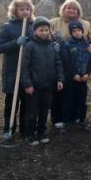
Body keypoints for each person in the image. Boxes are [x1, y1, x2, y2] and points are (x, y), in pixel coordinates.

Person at [49, 0, 91, 128]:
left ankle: (75, 116)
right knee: (59, 91)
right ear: (63, 9)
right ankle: (57, 117)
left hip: (77, 64)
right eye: (68, 8)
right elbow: (44, 36)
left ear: (78, 11)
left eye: (74, 8)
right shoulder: (53, 22)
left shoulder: (85, 24)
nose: (71, 10)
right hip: (57, 63)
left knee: (76, 92)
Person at [0, 0, 35, 138]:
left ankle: (24, 128)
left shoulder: (33, 26)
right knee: (11, 101)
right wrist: (15, 43)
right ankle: (8, 127)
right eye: (22, 9)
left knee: (26, 101)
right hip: (12, 70)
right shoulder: (8, 27)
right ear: (15, 10)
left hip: (28, 71)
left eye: (27, 9)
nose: (25, 11)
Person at [21, 17, 64, 146]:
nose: (44, 32)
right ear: (35, 31)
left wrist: (60, 79)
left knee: (45, 109)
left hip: (48, 84)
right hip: (34, 85)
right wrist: (27, 84)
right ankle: (30, 133)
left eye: (46, 30)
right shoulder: (30, 45)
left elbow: (58, 63)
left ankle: (42, 131)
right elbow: (25, 67)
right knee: (32, 110)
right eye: (41, 30)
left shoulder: (52, 45)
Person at [61, 20, 91, 131]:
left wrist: (87, 74)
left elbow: (89, 62)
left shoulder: (87, 44)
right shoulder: (67, 44)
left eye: (79, 30)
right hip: (71, 78)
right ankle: (67, 121)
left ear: (82, 31)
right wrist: (73, 74)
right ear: (71, 33)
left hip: (83, 78)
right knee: (69, 99)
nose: (77, 33)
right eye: (74, 31)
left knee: (82, 100)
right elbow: (66, 62)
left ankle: (82, 120)